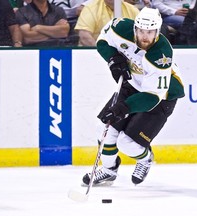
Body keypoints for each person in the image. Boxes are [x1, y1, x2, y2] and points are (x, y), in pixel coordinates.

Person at [82, 7, 185, 186]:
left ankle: (145, 159)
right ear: (135, 28)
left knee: (127, 143)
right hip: (133, 85)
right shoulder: (121, 28)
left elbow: (152, 96)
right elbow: (102, 41)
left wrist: (122, 109)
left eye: (150, 32)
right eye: (141, 31)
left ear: (158, 31)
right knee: (105, 131)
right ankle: (108, 170)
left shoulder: (161, 54)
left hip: (161, 96)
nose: (145, 37)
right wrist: (113, 59)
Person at [74, 0, 139, 46]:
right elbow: (84, 36)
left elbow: (141, 34)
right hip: (94, 54)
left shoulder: (132, 10)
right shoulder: (91, 8)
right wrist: (103, 52)